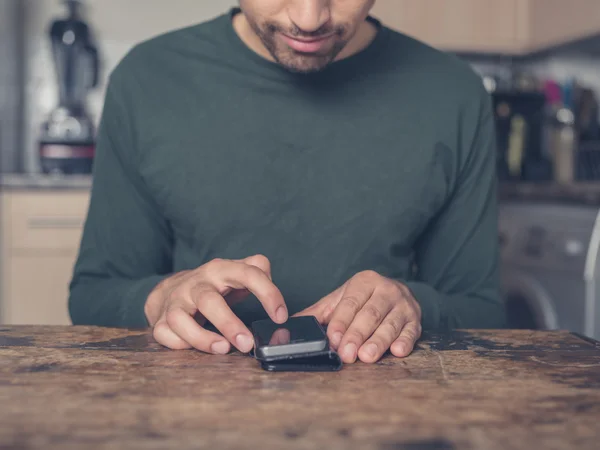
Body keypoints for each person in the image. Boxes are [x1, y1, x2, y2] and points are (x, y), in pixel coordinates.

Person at [68, 0, 506, 364]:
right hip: (199, 414)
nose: (309, 18)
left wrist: (413, 304)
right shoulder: (146, 80)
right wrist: (162, 295)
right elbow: (95, 294)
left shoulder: (454, 96)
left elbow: (483, 311)